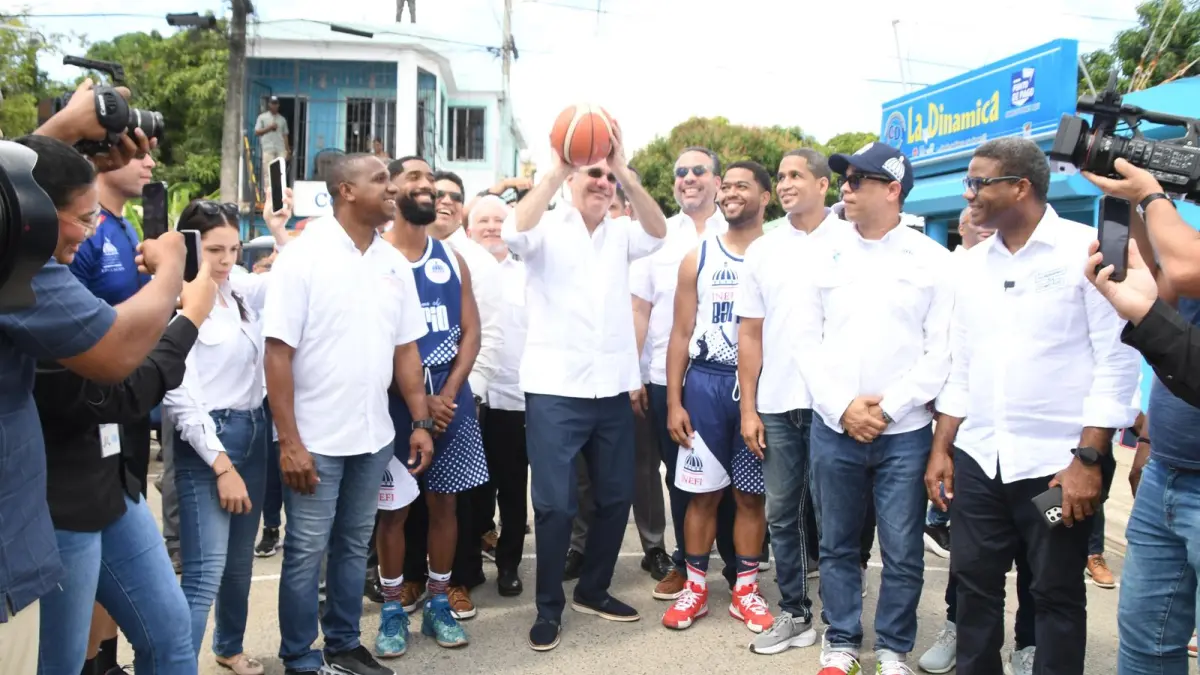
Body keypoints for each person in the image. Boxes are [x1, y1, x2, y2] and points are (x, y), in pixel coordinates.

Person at [926, 138, 1140, 675]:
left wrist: (1089, 462)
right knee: (973, 587)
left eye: (978, 182)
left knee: (1054, 593)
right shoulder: (971, 266)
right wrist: (942, 449)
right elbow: (964, 364)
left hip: (1057, 470)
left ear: (1019, 187)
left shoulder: (1085, 251)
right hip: (980, 461)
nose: (968, 194)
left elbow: (1116, 363)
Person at [15, 134, 198, 675]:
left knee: (171, 636)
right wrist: (183, 305)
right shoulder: (25, 281)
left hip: (111, 483)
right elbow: (116, 373)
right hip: (56, 498)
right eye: (83, 219)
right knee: (60, 663)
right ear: (33, 215)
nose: (92, 231)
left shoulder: (89, 238)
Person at [263, 153, 434, 675]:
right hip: (314, 439)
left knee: (353, 544)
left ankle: (341, 645)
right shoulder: (303, 255)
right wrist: (289, 440)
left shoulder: (392, 264)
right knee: (305, 552)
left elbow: (406, 350)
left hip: (373, 436)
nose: (392, 188)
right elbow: (276, 353)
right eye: (380, 180)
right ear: (345, 190)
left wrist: (421, 421)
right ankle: (299, 656)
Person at [501, 119, 667, 651]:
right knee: (553, 506)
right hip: (554, 390)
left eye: (606, 176)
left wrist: (622, 169)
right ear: (572, 178)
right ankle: (548, 606)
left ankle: (593, 589)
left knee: (617, 496)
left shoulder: (623, 233)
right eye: (590, 174)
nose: (599, 182)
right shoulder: (545, 224)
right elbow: (513, 233)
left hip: (613, 389)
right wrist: (560, 168)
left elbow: (659, 231)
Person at [799, 142, 953, 675]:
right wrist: (843, 408)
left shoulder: (933, 260)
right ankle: (840, 642)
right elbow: (802, 342)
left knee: (903, 550)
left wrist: (887, 411)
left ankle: (893, 649)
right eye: (845, 177)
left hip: (905, 434)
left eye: (858, 179)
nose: (845, 186)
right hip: (834, 428)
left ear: (893, 190)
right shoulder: (820, 253)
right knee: (839, 546)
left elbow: (942, 351)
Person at [1080, 158, 1200, 674]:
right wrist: (1130, 199)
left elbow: (1184, 269)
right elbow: (1166, 303)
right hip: (1167, 473)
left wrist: (1152, 194)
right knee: (1146, 642)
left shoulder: (1185, 241)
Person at [163, 195, 291, 674]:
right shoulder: (175, 299)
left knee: (239, 563)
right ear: (190, 246)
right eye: (214, 249)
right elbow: (178, 397)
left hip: (254, 429)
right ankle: (175, 665)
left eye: (233, 249)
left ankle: (228, 646)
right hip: (208, 443)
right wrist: (221, 467)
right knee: (203, 571)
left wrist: (280, 229)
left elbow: (290, 281)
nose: (224, 260)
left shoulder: (234, 288)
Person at [373, 156, 489, 656]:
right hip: (393, 398)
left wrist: (449, 392)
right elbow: (375, 341)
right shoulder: (374, 258)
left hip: (450, 394)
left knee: (446, 504)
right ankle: (394, 608)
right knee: (393, 510)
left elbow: (471, 332)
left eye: (432, 180)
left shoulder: (450, 257)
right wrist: (419, 401)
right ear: (392, 188)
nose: (430, 188)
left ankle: (440, 600)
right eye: (416, 179)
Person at [917, 205, 1037, 675]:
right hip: (974, 446)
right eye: (974, 218)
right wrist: (942, 443)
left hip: (1046, 459)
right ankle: (957, 628)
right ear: (961, 229)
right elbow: (952, 358)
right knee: (971, 560)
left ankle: (1029, 646)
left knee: (1039, 558)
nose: (984, 224)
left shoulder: (1057, 260)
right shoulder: (959, 273)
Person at [737, 148, 845, 654]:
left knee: (834, 515)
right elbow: (751, 334)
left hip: (835, 405)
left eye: (795, 175)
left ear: (824, 185)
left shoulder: (852, 240)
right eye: (779, 176)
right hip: (778, 403)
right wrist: (748, 408)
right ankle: (795, 613)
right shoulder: (763, 249)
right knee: (782, 514)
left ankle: (842, 625)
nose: (784, 184)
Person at [661, 161, 772, 633]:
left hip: (763, 387)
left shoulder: (780, 254)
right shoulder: (698, 256)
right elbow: (680, 333)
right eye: (725, 186)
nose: (729, 193)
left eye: (741, 186)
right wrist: (674, 401)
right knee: (701, 497)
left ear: (766, 196)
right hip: (705, 384)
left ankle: (745, 590)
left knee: (750, 496)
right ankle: (696, 589)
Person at [629, 146, 736, 601]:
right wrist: (634, 374)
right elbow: (639, 309)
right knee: (680, 475)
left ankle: (737, 564)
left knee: (733, 476)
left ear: (716, 180)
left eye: (698, 170)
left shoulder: (739, 233)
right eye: (680, 172)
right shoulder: (656, 235)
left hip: (727, 377)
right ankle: (683, 564)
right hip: (663, 375)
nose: (688, 178)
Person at [469, 195, 529, 596]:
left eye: (499, 220)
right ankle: (468, 565)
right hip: (469, 397)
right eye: (483, 220)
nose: (491, 226)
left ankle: (509, 564)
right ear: (468, 228)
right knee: (472, 491)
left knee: (511, 489)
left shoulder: (527, 274)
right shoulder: (457, 270)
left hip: (513, 397)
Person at [255, 96, 290, 193]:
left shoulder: (282, 119)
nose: (274, 105)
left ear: (278, 105)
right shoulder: (262, 117)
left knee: (280, 172)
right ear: (269, 104)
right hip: (268, 149)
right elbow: (257, 132)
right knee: (268, 172)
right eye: (272, 103)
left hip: (280, 149)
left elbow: (285, 135)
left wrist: (287, 150)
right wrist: (269, 128)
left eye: (276, 103)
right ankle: (269, 195)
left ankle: (280, 193)